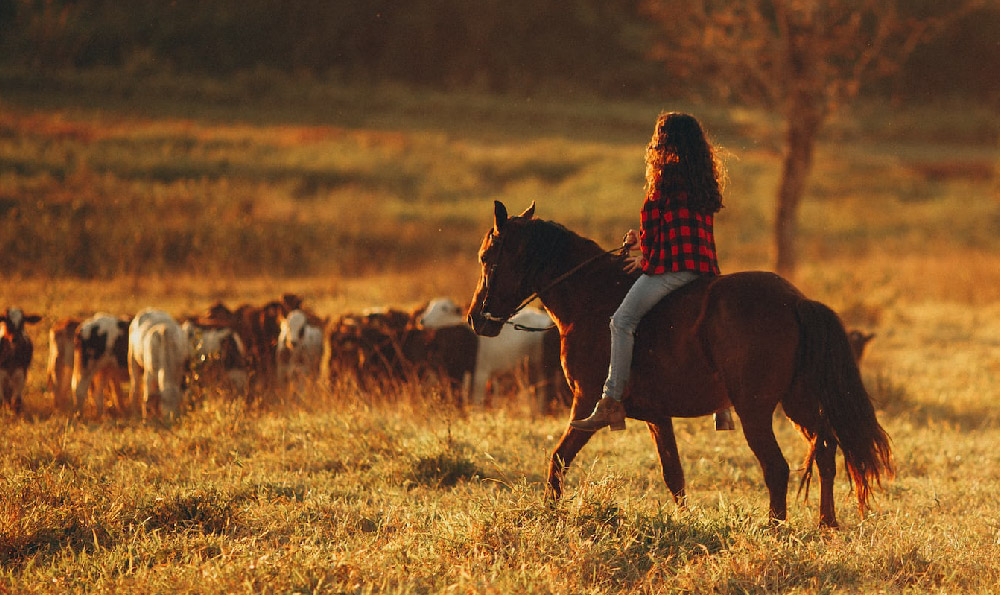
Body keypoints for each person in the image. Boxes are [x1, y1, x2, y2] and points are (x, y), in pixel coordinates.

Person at [571, 111, 734, 432]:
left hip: (671, 270)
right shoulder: (702, 181)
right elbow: (678, 231)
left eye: (659, 138)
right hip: (704, 270)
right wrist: (641, 241)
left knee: (622, 321)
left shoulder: (667, 181)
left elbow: (668, 241)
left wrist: (646, 260)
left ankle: (611, 401)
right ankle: (723, 407)